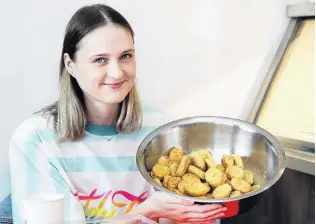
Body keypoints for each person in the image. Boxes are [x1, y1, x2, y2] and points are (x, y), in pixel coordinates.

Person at [9, 4, 226, 224]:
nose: (117, 72)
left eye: (125, 56)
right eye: (100, 60)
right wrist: (144, 212)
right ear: (70, 65)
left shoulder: (158, 127)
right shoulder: (36, 139)